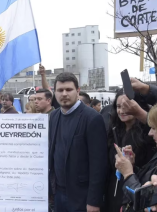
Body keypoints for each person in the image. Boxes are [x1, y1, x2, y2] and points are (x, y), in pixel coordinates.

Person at [49, 72, 108, 212]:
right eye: (60, 90)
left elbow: (99, 164)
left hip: (82, 196)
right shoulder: (54, 116)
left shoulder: (92, 118)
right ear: (54, 92)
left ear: (78, 91)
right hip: (58, 193)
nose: (64, 94)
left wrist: (94, 201)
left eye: (68, 89)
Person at [115, 99, 157, 211]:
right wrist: (131, 166)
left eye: (154, 128)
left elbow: (150, 204)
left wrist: (128, 174)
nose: (150, 133)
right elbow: (145, 182)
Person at [105, 89, 157, 212]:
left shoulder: (149, 133)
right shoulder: (113, 129)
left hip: (135, 191)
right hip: (113, 192)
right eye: (118, 106)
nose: (122, 111)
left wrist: (132, 165)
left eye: (127, 106)